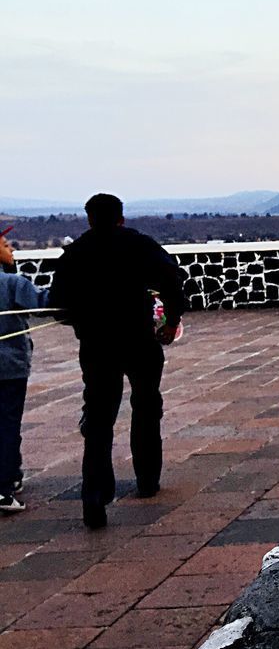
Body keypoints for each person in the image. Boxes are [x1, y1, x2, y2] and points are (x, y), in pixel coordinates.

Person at [48, 194, 185, 529]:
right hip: (139, 339)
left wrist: (82, 318)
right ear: (121, 217)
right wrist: (170, 320)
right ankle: (148, 477)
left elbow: (58, 305)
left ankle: (94, 494)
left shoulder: (76, 252)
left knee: (98, 418)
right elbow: (172, 278)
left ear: (90, 219)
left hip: (96, 345)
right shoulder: (138, 244)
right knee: (147, 403)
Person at [0, 233, 48, 513]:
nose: (12, 249)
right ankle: (3, 489)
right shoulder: (12, 283)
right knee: (7, 425)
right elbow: (44, 304)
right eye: (5, 246)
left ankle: (12, 475)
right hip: (9, 368)